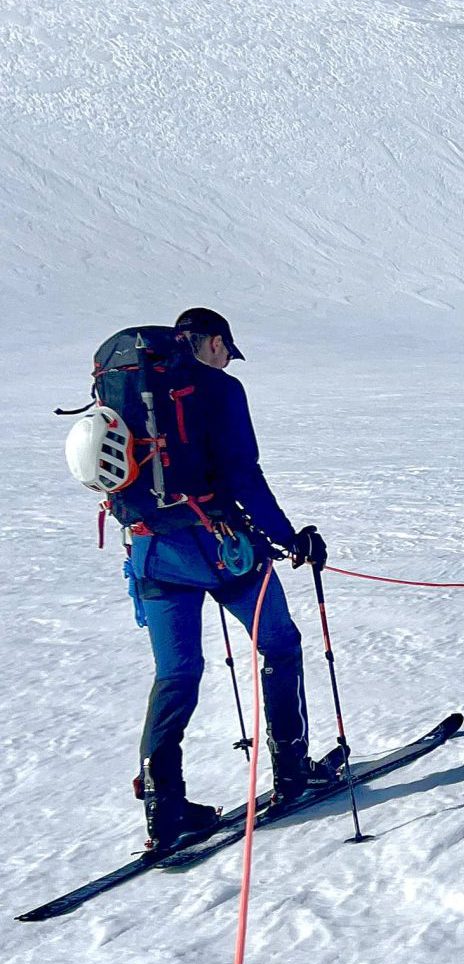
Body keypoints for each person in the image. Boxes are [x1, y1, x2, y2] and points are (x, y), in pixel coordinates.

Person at [122, 308, 336, 848]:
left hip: (150, 550)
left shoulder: (126, 387)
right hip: (222, 550)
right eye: (226, 350)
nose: (226, 360)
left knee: (176, 673)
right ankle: (292, 774)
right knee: (280, 645)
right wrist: (289, 539)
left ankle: (163, 807)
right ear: (215, 343)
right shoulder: (218, 388)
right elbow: (243, 473)